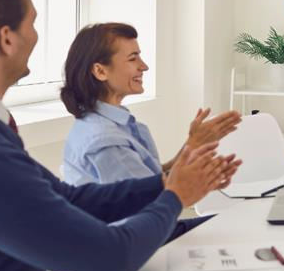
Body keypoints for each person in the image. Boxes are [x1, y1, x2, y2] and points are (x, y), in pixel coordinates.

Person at [0, 0, 239, 271]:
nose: (36, 35)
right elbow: (111, 257)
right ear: (6, 39)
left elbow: (67, 197)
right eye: (33, 22)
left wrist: (166, 183)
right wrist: (176, 195)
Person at [60, 22, 241, 186]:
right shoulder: (105, 141)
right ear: (100, 71)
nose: (144, 66)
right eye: (132, 58)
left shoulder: (114, 125)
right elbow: (150, 201)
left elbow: (153, 179)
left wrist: (192, 147)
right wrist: (195, 152)